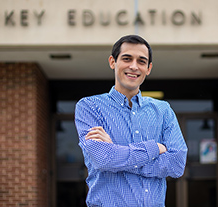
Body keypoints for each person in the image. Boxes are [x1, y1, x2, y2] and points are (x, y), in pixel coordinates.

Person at [74, 34, 188, 207]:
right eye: (127, 59)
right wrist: (155, 148)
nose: (134, 66)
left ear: (149, 68)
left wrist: (116, 153)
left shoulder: (163, 110)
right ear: (113, 62)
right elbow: (104, 159)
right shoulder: (89, 107)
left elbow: (177, 165)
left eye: (141, 61)